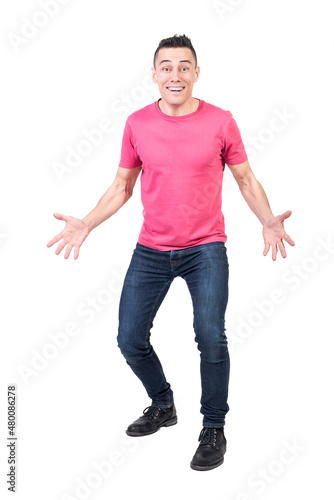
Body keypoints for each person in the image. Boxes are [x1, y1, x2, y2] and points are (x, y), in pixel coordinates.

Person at [46, 34, 295, 471]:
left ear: (197, 74)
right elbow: (122, 186)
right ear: (155, 74)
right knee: (129, 339)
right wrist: (86, 222)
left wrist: (267, 219)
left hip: (205, 249)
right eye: (166, 67)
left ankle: (213, 426)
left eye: (184, 67)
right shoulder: (137, 123)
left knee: (210, 335)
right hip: (152, 250)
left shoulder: (221, 121)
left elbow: (246, 179)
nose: (175, 75)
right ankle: (164, 405)